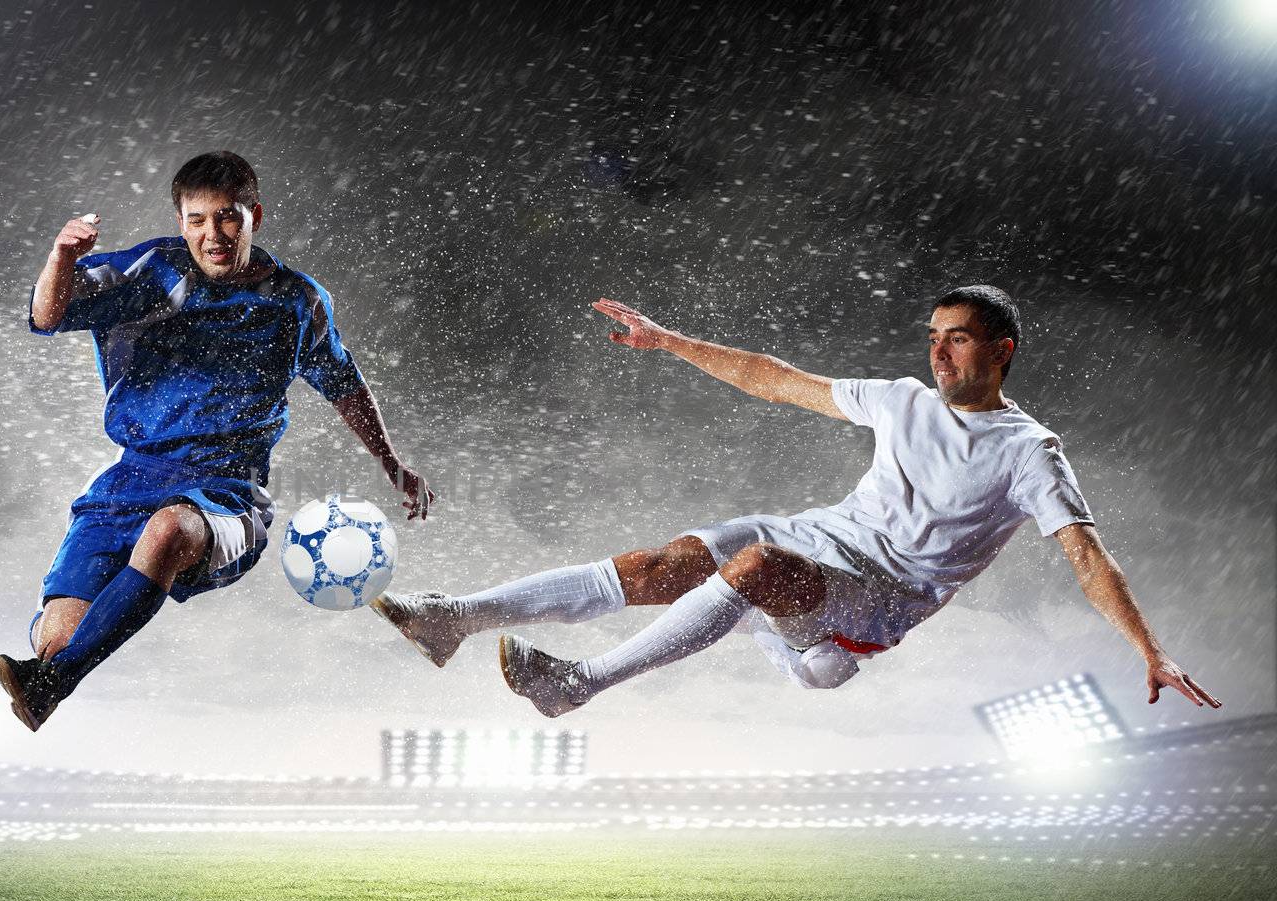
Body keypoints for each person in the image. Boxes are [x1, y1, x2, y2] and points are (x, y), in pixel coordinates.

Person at [372, 286, 1219, 717]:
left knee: (761, 571)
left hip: (882, 595)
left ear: (1001, 350)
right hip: (821, 535)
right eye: (932, 336)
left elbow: (1087, 556)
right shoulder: (901, 399)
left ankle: (578, 684)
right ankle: (456, 620)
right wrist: (668, 341)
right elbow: (776, 380)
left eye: (955, 338)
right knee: (658, 564)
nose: (937, 352)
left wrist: (1149, 647)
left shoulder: (1029, 452)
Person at [0, 151, 433, 732]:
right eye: (197, 220)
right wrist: (62, 258)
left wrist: (392, 464)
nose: (213, 234)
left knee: (169, 531)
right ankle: (55, 672)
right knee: (60, 639)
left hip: (228, 491)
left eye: (226, 218)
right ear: (181, 223)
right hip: (129, 480)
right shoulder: (152, 273)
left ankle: (54, 684)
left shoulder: (298, 302)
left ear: (255, 215)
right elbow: (49, 315)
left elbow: (344, 386)